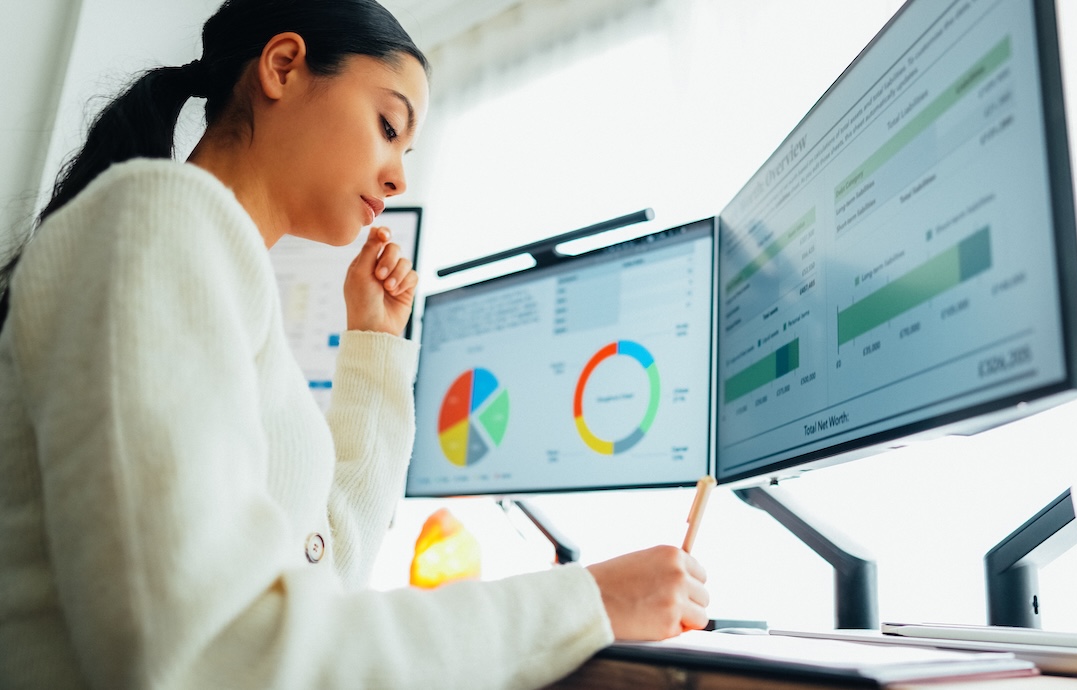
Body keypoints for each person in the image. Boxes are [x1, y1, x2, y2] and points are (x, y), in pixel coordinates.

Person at [0, 1, 710, 687]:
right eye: (387, 124)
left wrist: (374, 344)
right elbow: (214, 657)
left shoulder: (219, 274)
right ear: (283, 67)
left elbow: (321, 576)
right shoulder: (157, 219)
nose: (400, 175)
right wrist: (585, 603)